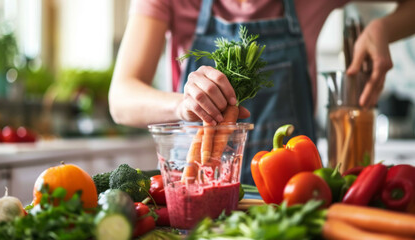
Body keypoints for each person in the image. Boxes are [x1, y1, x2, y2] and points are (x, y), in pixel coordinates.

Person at [109, 0, 415, 185]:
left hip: (292, 193)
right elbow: (121, 98)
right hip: (196, 183)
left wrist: (382, 29)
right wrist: (183, 106)